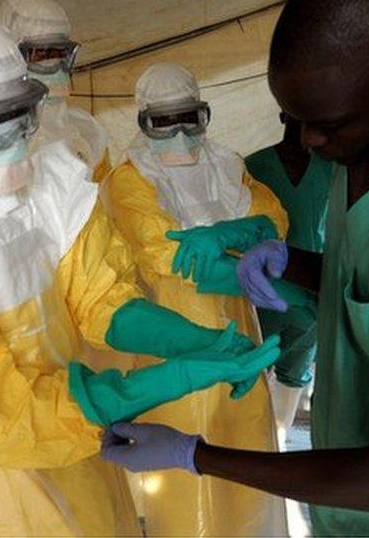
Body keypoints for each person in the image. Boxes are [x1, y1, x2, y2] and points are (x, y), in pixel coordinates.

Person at [0, 7, 279, 537]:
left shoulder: (51, 177)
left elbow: (102, 297)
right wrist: (155, 384)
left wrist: (194, 342)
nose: (17, 140)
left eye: (22, 114)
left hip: (82, 445)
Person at [101, 0, 369, 536]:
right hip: (348, 508)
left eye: (327, 122)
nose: (310, 140)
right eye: (295, 117)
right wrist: (289, 262)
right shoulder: (361, 156)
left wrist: (197, 456)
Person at [101, 62, 290, 536]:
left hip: (239, 328)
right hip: (171, 332)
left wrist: (245, 235)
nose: (181, 134)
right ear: (143, 124)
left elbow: (273, 219)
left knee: (244, 448)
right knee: (182, 467)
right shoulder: (129, 181)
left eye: (191, 118)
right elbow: (166, 255)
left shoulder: (227, 167)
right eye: (164, 122)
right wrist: (244, 266)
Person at [244, 113, 331, 429]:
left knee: (294, 376)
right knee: (250, 371)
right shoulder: (252, 168)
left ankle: (279, 441)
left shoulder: (332, 171)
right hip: (262, 295)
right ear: (281, 114)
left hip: (310, 295)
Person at [0, 0, 112, 181]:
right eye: (42, 54)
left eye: (61, 52)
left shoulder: (87, 131)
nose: (55, 64)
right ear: (11, 56)